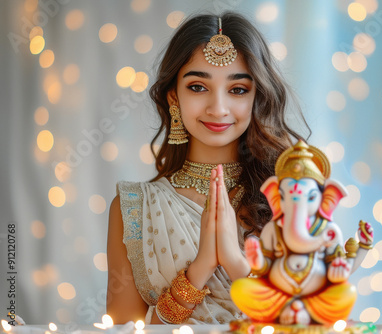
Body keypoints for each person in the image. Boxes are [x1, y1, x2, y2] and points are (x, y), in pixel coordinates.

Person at [106, 12, 309, 325]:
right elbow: (121, 330)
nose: (218, 108)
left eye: (238, 89)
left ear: (257, 97)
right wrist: (198, 271)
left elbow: (307, 322)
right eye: (198, 87)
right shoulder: (134, 208)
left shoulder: (292, 195)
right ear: (174, 96)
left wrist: (233, 261)